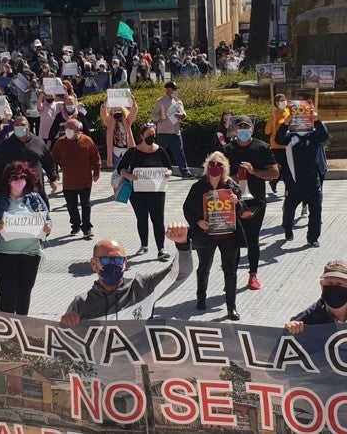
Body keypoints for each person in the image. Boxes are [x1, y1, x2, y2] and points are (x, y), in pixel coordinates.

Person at [60, 223, 192, 326]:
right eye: (105, 260)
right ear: (94, 264)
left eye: (118, 260)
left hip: (138, 359)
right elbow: (65, 340)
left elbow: (180, 273)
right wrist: (68, 321)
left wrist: (182, 244)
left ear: (125, 263)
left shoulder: (143, 288)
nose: (113, 265)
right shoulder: (82, 303)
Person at [0, 161, 53, 315]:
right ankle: (7, 331)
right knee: (7, 294)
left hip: (30, 254)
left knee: (24, 293)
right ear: (8, 180)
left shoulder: (35, 199)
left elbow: (48, 220)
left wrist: (48, 228)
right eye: (15, 177)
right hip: (3, 255)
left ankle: (22, 330)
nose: (19, 181)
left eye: (23, 177)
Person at [183, 151, 245, 320]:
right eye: (212, 164)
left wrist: (236, 202)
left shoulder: (232, 186)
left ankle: (231, 307)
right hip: (206, 234)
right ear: (206, 166)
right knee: (204, 267)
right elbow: (187, 208)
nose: (215, 167)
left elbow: (242, 210)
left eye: (219, 164)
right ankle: (201, 298)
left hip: (228, 235)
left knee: (230, 270)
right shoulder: (199, 186)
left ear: (225, 167)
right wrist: (197, 221)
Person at [223, 117, 281, 290]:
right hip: (233, 201)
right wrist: (231, 178)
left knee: (253, 240)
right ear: (235, 129)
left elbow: (274, 173)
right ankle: (231, 277)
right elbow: (216, 174)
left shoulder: (261, 147)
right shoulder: (227, 149)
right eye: (240, 127)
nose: (243, 130)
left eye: (246, 127)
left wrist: (253, 171)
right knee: (233, 241)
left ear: (252, 129)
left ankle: (253, 275)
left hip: (255, 201)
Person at [116, 122, 175, 260]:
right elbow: (121, 169)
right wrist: (128, 176)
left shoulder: (160, 151)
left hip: (157, 191)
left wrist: (168, 173)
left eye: (153, 135)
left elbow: (169, 167)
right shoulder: (133, 152)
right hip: (138, 193)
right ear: (141, 136)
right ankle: (144, 245)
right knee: (142, 218)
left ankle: (161, 248)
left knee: (158, 219)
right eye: (148, 135)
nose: (151, 138)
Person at [276, 106, 330, 246]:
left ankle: (313, 237)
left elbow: (324, 136)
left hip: (313, 180)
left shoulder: (313, 135)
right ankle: (288, 230)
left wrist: (317, 120)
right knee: (289, 209)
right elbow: (278, 139)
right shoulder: (290, 137)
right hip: (294, 180)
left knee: (316, 210)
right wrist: (286, 122)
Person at [0, 115, 58, 198]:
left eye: (22, 125)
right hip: (15, 190)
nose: (20, 127)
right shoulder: (6, 145)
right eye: (17, 125)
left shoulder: (38, 142)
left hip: (35, 187)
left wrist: (53, 178)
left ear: (28, 126)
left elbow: (49, 162)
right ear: (13, 127)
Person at [51, 118, 102, 239]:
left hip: (85, 180)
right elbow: (53, 159)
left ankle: (87, 228)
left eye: (71, 128)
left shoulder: (87, 141)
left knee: (86, 204)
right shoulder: (60, 142)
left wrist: (97, 171)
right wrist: (54, 173)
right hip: (69, 182)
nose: (68, 131)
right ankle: (75, 225)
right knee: (71, 205)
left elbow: (95, 157)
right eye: (66, 128)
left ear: (79, 129)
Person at [152, 81, 191, 178]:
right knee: (160, 152)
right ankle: (155, 171)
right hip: (164, 131)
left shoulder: (178, 101)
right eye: (171, 89)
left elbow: (183, 113)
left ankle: (185, 173)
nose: (173, 91)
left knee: (179, 153)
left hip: (175, 131)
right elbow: (153, 114)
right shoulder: (160, 101)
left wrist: (182, 115)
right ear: (167, 89)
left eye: (174, 89)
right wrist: (158, 119)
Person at [265, 94, 291, 199]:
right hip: (276, 146)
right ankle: (273, 181)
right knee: (279, 169)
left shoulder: (289, 112)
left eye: (284, 100)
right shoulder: (274, 115)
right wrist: (272, 122)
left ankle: (288, 190)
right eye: (280, 101)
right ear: (276, 103)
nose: (283, 102)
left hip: (288, 145)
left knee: (287, 169)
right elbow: (267, 132)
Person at [104, 105, 136, 170]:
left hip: (127, 150)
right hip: (116, 151)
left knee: (128, 170)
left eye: (119, 110)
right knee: (117, 171)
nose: (117, 112)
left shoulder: (127, 120)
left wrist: (133, 103)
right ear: (111, 112)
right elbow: (103, 114)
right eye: (115, 110)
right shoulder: (110, 122)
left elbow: (133, 112)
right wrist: (104, 105)